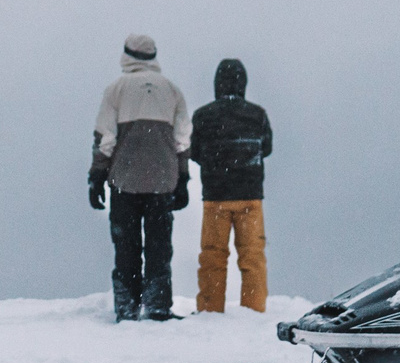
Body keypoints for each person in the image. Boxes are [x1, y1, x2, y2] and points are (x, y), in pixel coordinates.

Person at [89, 33, 190, 321]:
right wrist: (182, 179)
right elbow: (182, 139)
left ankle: (127, 305)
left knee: (126, 245)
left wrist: (97, 174)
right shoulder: (172, 90)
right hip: (162, 181)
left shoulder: (116, 89)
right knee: (159, 246)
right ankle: (158, 305)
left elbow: (105, 137)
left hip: (125, 180)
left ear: (126, 55)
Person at [189, 58, 273, 312]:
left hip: (216, 196)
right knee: (252, 257)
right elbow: (267, 148)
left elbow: (194, 152)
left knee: (213, 256)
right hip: (250, 195)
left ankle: (211, 308)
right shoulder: (257, 114)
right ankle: (254, 308)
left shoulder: (203, 115)